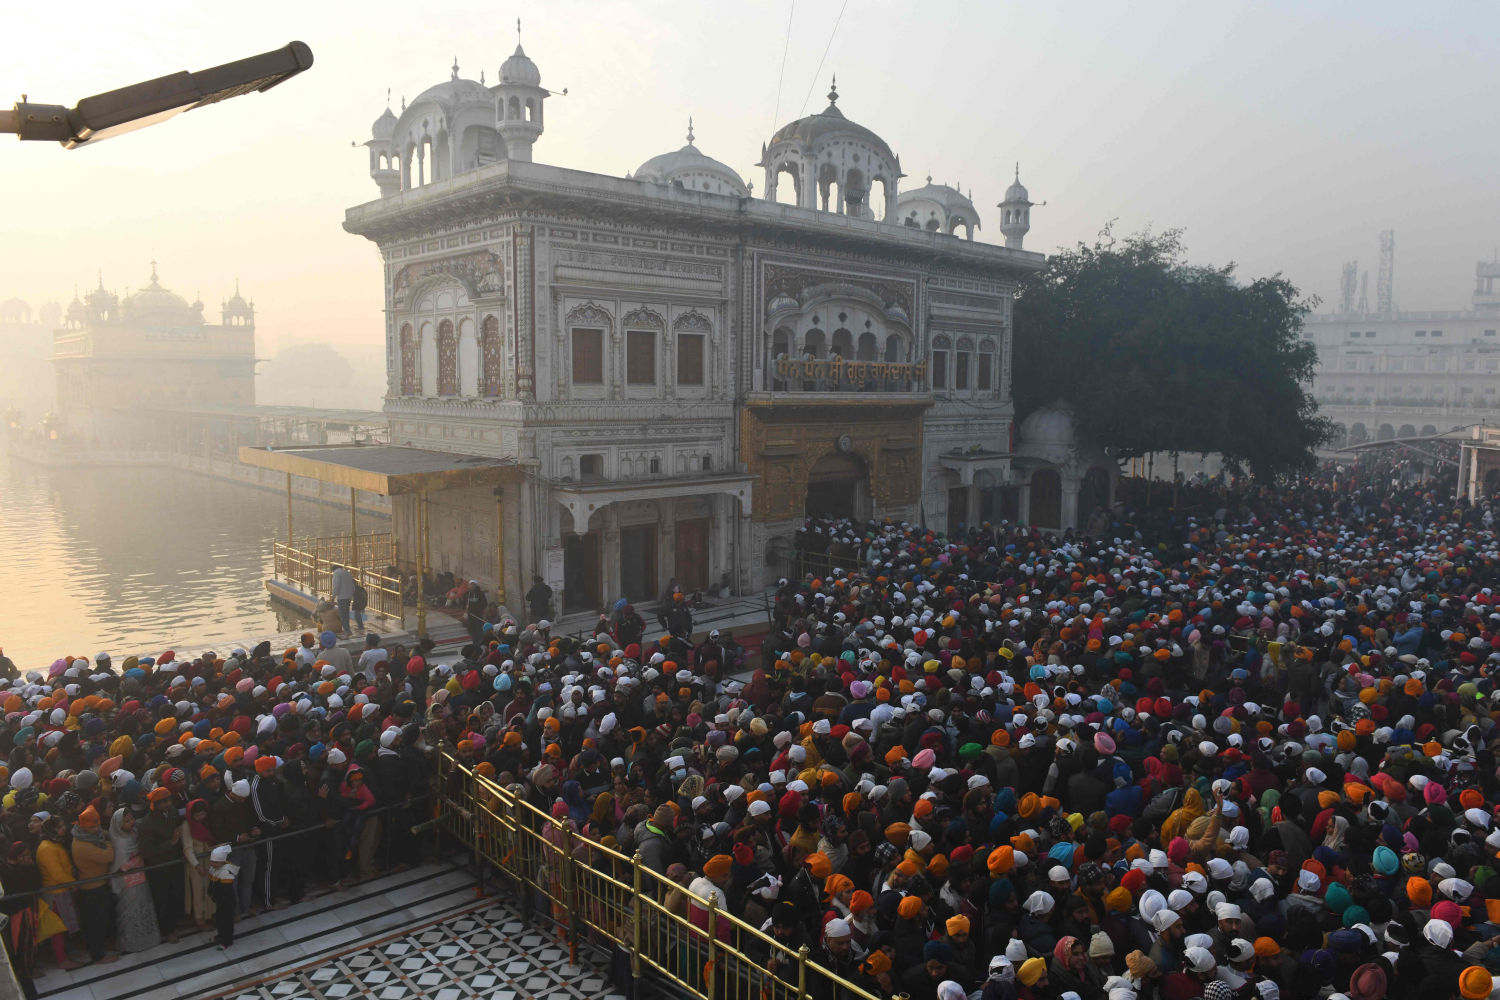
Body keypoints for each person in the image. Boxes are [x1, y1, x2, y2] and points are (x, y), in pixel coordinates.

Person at [108, 808, 161, 953]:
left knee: (143, 906)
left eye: (132, 819)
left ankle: (147, 938)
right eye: (127, 821)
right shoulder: (119, 841)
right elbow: (121, 865)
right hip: (127, 883)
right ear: (118, 824)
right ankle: (131, 942)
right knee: (130, 911)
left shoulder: (133, 833)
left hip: (140, 878)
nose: (131, 822)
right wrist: (139, 858)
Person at [69, 807, 116, 965]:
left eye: (97, 825)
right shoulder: (82, 845)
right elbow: (108, 856)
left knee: (98, 921)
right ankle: (98, 955)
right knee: (96, 923)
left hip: (98, 884)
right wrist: (110, 843)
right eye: (92, 827)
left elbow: (102, 833)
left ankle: (98, 946)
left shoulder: (89, 834)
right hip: (93, 888)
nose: (96, 829)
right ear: (83, 827)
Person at [138, 787, 184, 942]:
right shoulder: (147, 824)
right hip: (159, 868)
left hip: (175, 863)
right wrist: (170, 843)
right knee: (162, 899)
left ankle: (177, 922)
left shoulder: (173, 813)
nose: (167, 804)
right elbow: (147, 851)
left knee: (176, 894)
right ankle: (167, 930)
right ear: (155, 805)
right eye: (163, 802)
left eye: (168, 800)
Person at [208, 845, 239, 949]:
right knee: (220, 919)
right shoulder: (214, 868)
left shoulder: (225, 872)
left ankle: (227, 941)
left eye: (216, 862)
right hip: (220, 900)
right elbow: (212, 882)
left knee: (227, 921)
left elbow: (226, 891)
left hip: (226, 901)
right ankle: (221, 935)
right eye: (212, 861)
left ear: (222, 862)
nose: (213, 864)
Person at [330, 564, 355, 635]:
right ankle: (347, 630)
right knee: (346, 614)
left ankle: (347, 631)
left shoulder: (336, 573)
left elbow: (336, 586)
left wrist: (333, 597)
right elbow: (353, 586)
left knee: (343, 615)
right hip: (348, 596)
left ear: (333, 570)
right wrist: (351, 595)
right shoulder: (347, 573)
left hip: (342, 597)